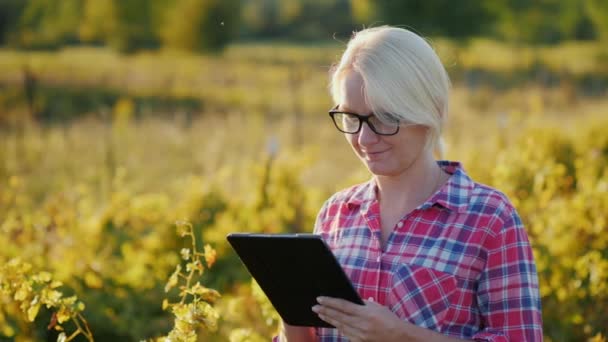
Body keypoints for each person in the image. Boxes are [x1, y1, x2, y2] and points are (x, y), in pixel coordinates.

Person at [279, 26, 543, 341]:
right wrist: (289, 314)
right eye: (352, 118)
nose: (364, 138)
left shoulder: (489, 218)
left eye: (384, 118)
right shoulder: (336, 214)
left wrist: (401, 336)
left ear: (429, 110)